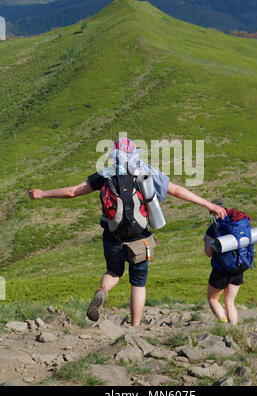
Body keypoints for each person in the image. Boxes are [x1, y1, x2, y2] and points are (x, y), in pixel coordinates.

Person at [29, 138, 226, 327]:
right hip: (139, 238)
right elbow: (176, 190)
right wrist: (208, 204)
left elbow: (73, 192)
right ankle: (135, 326)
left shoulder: (105, 174)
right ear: (134, 152)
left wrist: (42, 193)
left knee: (113, 272)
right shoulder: (144, 171)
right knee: (138, 283)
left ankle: (103, 292)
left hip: (113, 236)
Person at [204, 198, 248, 325]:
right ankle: (233, 328)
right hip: (239, 266)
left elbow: (208, 253)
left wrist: (206, 241)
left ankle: (223, 324)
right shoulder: (236, 224)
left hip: (221, 270)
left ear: (212, 211)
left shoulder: (214, 228)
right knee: (230, 301)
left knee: (212, 298)